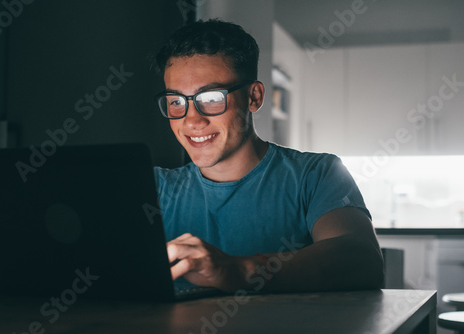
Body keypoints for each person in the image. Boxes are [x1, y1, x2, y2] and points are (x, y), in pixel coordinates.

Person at [153, 19, 384, 293]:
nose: (192, 120)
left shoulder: (317, 174)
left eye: (212, 98)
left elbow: (363, 261)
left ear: (254, 97)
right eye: (177, 101)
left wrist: (239, 271)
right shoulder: (155, 187)